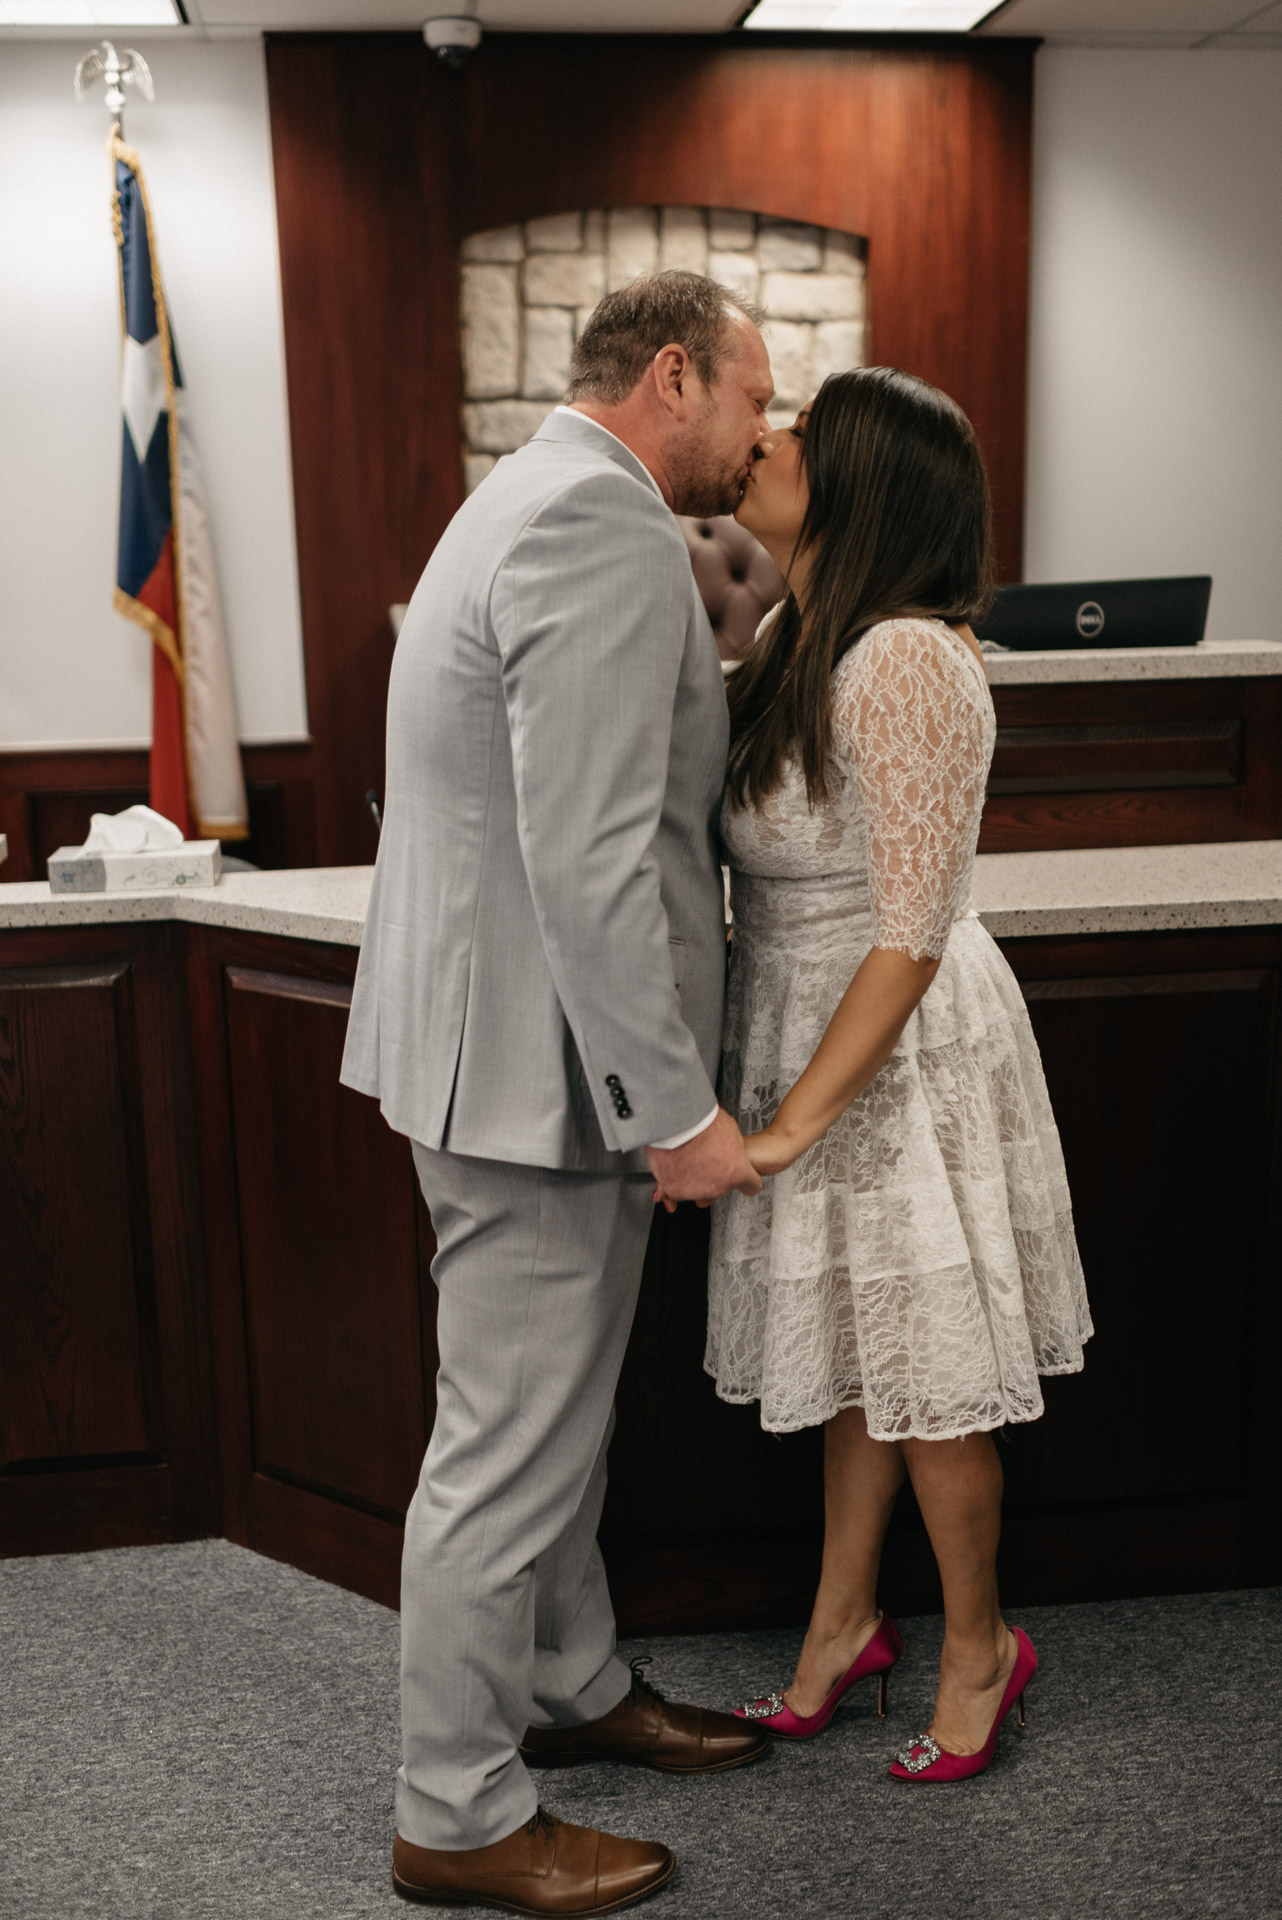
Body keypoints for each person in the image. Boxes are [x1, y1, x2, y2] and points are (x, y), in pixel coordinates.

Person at [341, 272, 774, 1915]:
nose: (758, 431)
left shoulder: (521, 491)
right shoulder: (597, 527)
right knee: (509, 1447)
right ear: (672, 375)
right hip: (548, 1084)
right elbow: (591, 862)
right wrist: (671, 1110)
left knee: (553, 1428)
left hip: (497, 1059)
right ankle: (451, 1813)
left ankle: (568, 1686)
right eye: (749, 395)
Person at [703, 366, 1093, 1784]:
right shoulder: (808, 634)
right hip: (811, 1019)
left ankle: (980, 1646)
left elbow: (912, 929)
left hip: (896, 1046)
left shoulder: (905, 658)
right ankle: (840, 1625)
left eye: (802, 431)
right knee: (864, 1365)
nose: (768, 437)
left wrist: (790, 1124)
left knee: (932, 1379)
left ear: (862, 481)